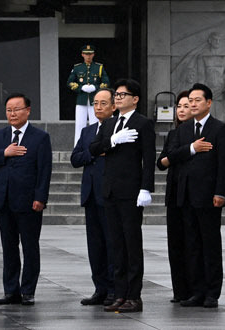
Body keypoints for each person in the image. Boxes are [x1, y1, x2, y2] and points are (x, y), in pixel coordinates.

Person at [89, 78, 155, 313]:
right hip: (110, 191)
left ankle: (134, 296)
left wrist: (146, 188)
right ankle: (119, 293)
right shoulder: (109, 123)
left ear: (135, 99)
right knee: (116, 245)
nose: (117, 98)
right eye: (116, 95)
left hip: (131, 192)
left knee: (131, 245)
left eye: (122, 95)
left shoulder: (143, 123)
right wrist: (112, 141)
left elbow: (148, 158)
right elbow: (93, 148)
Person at [168, 83, 225, 309]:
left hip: (208, 197)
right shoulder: (183, 129)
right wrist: (192, 148)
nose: (193, 104)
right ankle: (196, 291)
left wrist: (220, 192)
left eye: (197, 100)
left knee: (210, 245)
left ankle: (212, 292)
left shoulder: (219, 129)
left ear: (209, 103)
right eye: (190, 100)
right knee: (191, 245)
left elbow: (224, 164)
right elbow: (172, 155)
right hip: (186, 196)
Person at [0, 93, 52, 306]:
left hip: (28, 201)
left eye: (16, 109)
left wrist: (40, 197)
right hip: (4, 200)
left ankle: (28, 291)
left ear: (28, 110)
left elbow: (45, 170)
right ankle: (10, 291)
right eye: (9, 110)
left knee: (29, 246)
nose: (12, 113)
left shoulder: (40, 137)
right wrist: (5, 153)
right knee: (8, 247)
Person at [71, 88, 116, 307]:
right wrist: (95, 152)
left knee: (111, 243)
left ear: (113, 106)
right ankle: (99, 287)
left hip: (110, 193)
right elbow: (75, 158)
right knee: (95, 245)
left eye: (103, 103)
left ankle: (113, 289)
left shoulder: (118, 129)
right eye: (96, 103)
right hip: (90, 195)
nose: (98, 107)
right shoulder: (87, 131)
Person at [156, 90, 193, 303]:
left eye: (186, 106)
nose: (181, 110)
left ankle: (193, 288)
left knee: (191, 243)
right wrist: (188, 151)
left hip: (192, 193)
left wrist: (174, 156)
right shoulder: (172, 134)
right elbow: (162, 163)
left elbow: (171, 158)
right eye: (179, 106)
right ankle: (179, 290)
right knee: (175, 244)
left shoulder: (199, 133)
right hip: (174, 193)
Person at [67, 44, 110, 146]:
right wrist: (80, 87)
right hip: (81, 99)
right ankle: (78, 147)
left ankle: (95, 146)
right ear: (82, 55)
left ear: (93, 54)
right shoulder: (77, 68)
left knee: (95, 124)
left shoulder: (99, 67)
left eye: (90, 54)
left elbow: (106, 82)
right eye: (86, 54)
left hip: (95, 100)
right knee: (79, 125)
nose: (88, 56)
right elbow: (69, 82)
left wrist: (96, 87)